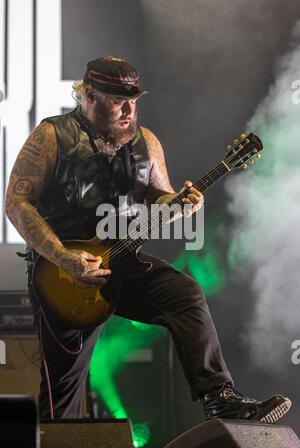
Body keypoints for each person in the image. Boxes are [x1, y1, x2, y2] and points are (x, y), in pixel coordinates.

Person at [5, 55, 291, 422]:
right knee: (62, 395)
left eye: (134, 101)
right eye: (117, 101)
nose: (129, 110)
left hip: (123, 260)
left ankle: (218, 395)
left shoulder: (146, 142)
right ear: (89, 96)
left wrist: (181, 203)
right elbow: (17, 201)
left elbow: (161, 196)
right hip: (62, 276)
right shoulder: (51, 136)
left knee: (185, 294)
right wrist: (62, 256)